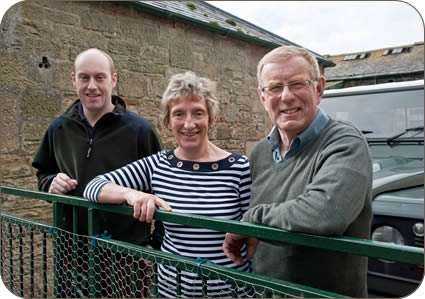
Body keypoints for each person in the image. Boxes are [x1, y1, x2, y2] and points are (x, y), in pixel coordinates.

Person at [84, 71, 252, 298]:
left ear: (212, 118)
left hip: (231, 293)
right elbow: (93, 187)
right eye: (179, 114)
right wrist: (132, 195)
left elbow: (253, 231)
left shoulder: (239, 167)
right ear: (167, 121)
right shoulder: (158, 165)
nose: (188, 124)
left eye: (198, 113)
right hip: (172, 293)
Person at [223, 46, 373, 297]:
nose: (286, 96)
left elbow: (324, 214)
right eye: (274, 88)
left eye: (297, 84)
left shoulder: (345, 142)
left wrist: (251, 221)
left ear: (319, 88)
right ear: (262, 96)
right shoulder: (260, 152)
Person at [32, 48, 163, 297]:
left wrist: (155, 245)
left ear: (113, 79)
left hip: (127, 256)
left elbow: (165, 188)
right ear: (73, 79)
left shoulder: (140, 130)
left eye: (100, 77)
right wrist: (50, 184)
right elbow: (43, 174)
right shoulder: (58, 129)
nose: (92, 86)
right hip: (73, 252)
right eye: (84, 77)